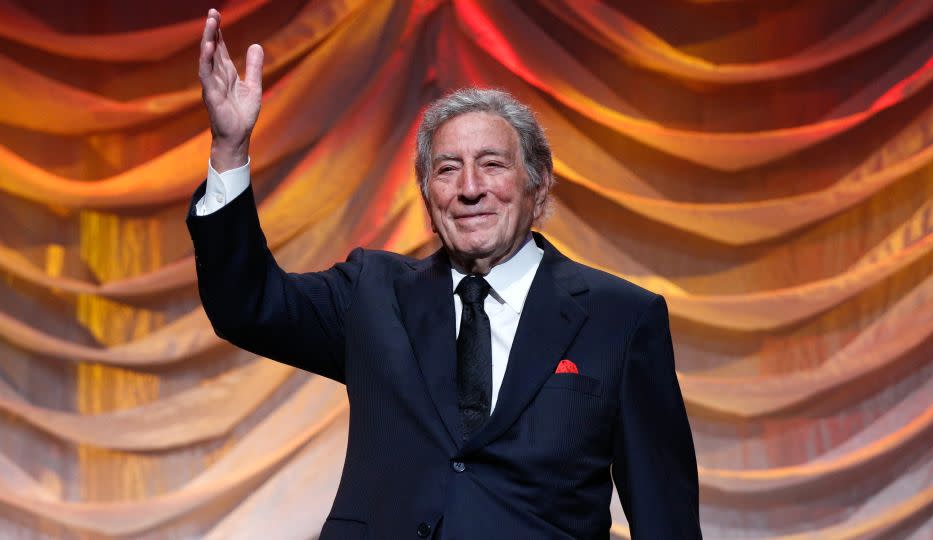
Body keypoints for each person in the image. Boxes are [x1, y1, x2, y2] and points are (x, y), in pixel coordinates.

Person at [187, 9, 701, 540]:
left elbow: (665, 514)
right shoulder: (373, 293)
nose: (470, 187)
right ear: (428, 200)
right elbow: (247, 307)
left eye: (493, 164)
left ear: (539, 185)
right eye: (447, 168)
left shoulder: (621, 316)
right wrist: (230, 149)